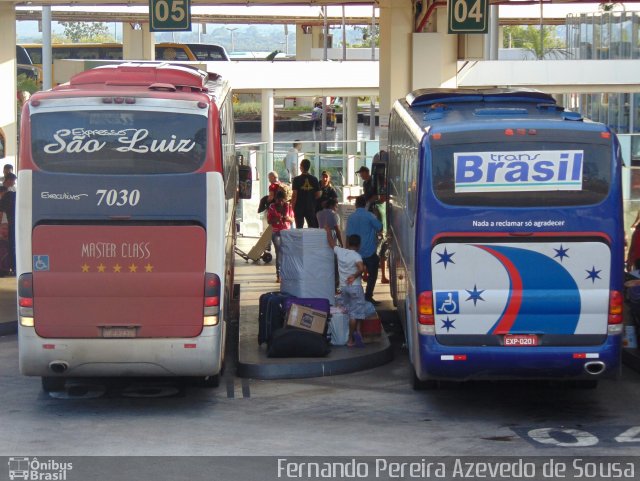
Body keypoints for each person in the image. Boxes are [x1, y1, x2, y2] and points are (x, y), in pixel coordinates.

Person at [324, 226, 366, 348]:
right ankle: (350, 339)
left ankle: (358, 332)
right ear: (358, 245)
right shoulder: (357, 256)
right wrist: (354, 275)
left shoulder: (340, 252)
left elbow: (331, 243)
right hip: (355, 287)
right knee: (355, 313)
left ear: (348, 243)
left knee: (351, 311)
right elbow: (361, 268)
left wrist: (327, 232)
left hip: (344, 288)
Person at [346, 195, 383, 305]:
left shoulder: (351, 217)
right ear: (365, 204)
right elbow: (380, 227)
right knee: (373, 275)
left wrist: (348, 250)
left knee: (356, 275)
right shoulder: (370, 216)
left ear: (356, 204)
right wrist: (376, 216)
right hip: (370, 251)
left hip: (355, 252)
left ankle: (356, 297)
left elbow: (348, 235)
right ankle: (368, 296)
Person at [267, 190, 294, 283]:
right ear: (276, 199)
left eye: (282, 200)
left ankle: (286, 274)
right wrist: (276, 218)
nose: (281, 203)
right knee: (279, 253)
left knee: (287, 253)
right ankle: (279, 275)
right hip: (276, 232)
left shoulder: (289, 206)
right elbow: (269, 221)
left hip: (286, 233)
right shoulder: (272, 207)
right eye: (279, 200)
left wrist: (288, 218)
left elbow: (292, 220)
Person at [291, 158, 321, 228]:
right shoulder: (314, 179)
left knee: (299, 227)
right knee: (312, 227)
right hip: (310, 207)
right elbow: (318, 194)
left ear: (301, 167)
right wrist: (311, 198)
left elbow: (294, 195)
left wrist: (292, 207)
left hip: (299, 207)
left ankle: (300, 239)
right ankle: (311, 239)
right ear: (309, 167)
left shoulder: (296, 179)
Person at [0, 173, 17, 274]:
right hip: (12, 226)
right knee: (11, 247)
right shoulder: (12, 195)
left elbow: (1, 214)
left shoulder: (6, 197)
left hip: (7, 227)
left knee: (8, 247)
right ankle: (11, 267)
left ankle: (5, 268)